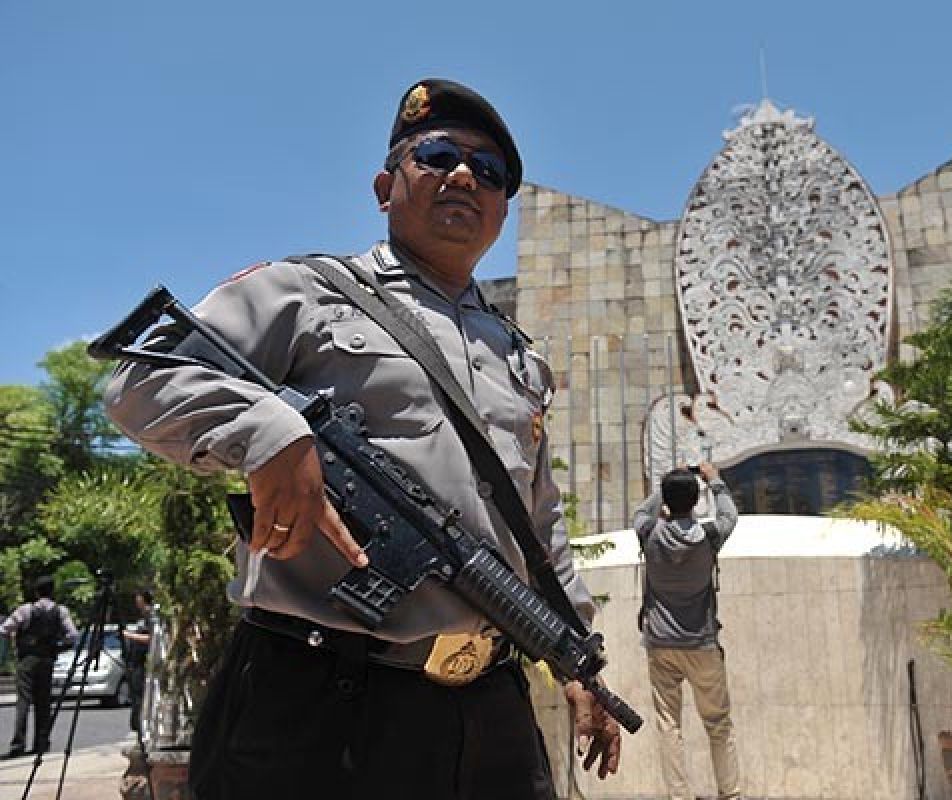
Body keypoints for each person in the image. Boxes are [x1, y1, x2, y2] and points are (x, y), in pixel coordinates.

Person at [103, 78, 619, 799]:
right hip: (320, 697)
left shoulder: (518, 357)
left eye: (490, 170)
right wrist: (266, 431)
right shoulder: (308, 292)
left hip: (490, 704)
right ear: (385, 187)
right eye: (437, 156)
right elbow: (138, 383)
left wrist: (579, 662)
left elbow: (538, 528)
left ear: (504, 208)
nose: (465, 175)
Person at [634, 463, 741, 800]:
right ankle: (730, 794)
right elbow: (730, 516)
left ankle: (679, 796)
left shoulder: (649, 533)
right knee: (718, 724)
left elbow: (641, 511)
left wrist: (665, 485)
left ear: (667, 500)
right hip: (702, 642)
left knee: (669, 722)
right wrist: (714, 480)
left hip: (660, 643)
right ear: (697, 501)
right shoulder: (709, 537)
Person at [1, 575, 79, 758]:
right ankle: (41, 742)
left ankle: (18, 744)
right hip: (47, 659)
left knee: (24, 702)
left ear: (36, 592)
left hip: (27, 659)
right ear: (53, 592)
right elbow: (73, 635)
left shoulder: (26, 610)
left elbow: (4, 629)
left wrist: (15, 640)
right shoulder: (61, 612)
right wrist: (58, 644)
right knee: (44, 703)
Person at [121, 589, 154, 733]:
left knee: (140, 695)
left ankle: (141, 725)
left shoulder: (150, 615)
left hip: (143, 662)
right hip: (135, 662)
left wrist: (129, 635)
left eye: (138, 597)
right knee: (135, 695)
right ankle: (137, 724)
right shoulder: (143, 617)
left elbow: (152, 638)